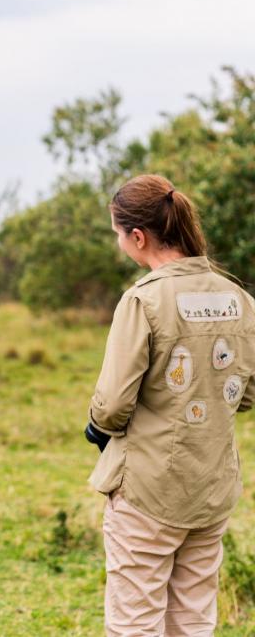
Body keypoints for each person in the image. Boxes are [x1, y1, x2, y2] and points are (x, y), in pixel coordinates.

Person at [85, 174, 255, 636]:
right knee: (195, 620)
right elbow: (248, 394)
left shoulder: (143, 300)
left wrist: (99, 422)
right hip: (212, 486)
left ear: (137, 236)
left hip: (148, 488)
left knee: (135, 623)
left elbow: (113, 407)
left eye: (119, 234)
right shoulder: (239, 298)